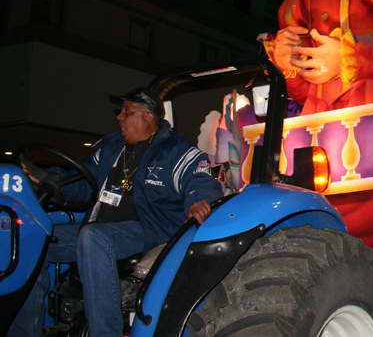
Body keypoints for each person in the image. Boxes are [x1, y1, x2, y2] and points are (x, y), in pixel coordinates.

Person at [10, 88, 223, 337]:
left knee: (94, 237)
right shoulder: (110, 148)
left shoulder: (176, 150)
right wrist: (48, 179)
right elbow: (82, 183)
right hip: (100, 226)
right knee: (31, 238)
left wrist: (198, 200)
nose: (119, 117)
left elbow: (199, 179)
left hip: (148, 229)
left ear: (147, 117)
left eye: (127, 111)